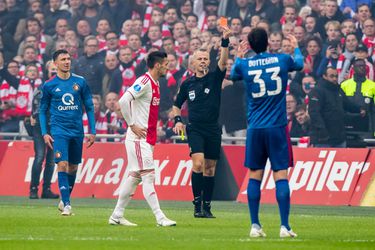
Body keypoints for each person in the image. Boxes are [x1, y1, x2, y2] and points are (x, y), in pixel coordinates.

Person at [230, 28, 304, 238]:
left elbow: (234, 73)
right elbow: (298, 63)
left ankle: (255, 226)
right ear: (269, 43)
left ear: (251, 45)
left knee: (255, 174)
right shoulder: (281, 59)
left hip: (255, 128)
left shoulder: (245, 64)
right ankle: (284, 227)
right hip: (277, 127)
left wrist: (239, 55)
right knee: (280, 174)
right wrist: (296, 46)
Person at [109, 51, 176, 227]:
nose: (168, 66)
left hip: (148, 138)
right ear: (157, 65)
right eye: (165, 63)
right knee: (148, 177)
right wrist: (131, 124)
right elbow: (123, 101)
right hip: (139, 138)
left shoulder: (156, 83)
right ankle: (160, 217)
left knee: (134, 177)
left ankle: (117, 215)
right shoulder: (144, 81)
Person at [172, 26, 232, 218]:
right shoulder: (187, 83)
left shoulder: (215, 78)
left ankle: (207, 206)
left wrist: (225, 41)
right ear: (193, 63)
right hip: (195, 129)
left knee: (210, 168)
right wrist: (178, 120)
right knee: (197, 164)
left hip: (213, 129)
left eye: (206, 58)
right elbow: (176, 104)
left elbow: (223, 62)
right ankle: (197, 205)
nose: (203, 61)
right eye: (200, 58)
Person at [39, 49, 96, 216]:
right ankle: (68, 205)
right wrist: (44, 132)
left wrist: (92, 131)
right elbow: (42, 110)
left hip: (77, 131)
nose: (67, 62)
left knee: (73, 167)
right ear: (55, 64)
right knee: (62, 164)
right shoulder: (49, 85)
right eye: (63, 59)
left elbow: (90, 108)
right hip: (59, 131)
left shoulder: (81, 82)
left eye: (68, 59)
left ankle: (64, 199)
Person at [308, 66, 364, 148]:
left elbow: (347, 104)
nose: (335, 79)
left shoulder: (338, 89)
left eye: (336, 76)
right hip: (323, 139)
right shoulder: (317, 91)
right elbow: (314, 113)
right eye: (331, 76)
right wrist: (322, 131)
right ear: (324, 76)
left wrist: (360, 109)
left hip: (339, 137)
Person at [29, 61, 59, 199]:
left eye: (56, 69)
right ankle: (33, 189)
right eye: (52, 69)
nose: (54, 72)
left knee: (52, 160)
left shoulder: (65, 86)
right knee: (40, 157)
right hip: (41, 126)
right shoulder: (42, 87)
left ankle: (46, 189)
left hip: (56, 127)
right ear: (47, 71)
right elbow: (37, 108)